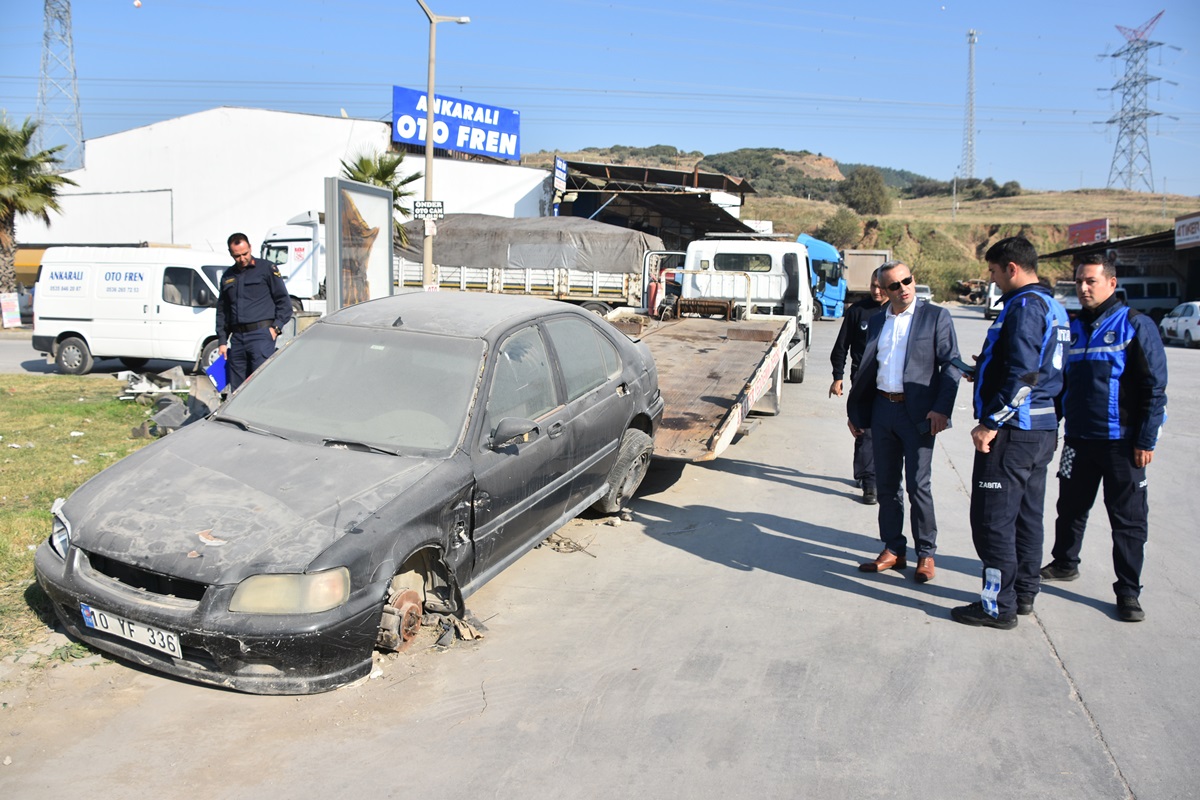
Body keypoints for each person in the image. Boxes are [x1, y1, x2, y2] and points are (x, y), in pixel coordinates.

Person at [1041, 252, 1167, 622]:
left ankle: (1128, 591)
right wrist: (1053, 428)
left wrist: (1145, 440)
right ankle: (1065, 562)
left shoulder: (1134, 325)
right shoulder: (1074, 327)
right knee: (1070, 509)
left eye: (1090, 281)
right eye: (1078, 281)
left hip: (1122, 444)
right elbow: (1061, 386)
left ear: (1112, 283)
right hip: (1078, 441)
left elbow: (1154, 388)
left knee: (1127, 521)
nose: (1083, 288)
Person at [952, 236, 1069, 630]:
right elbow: (1048, 372)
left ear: (1012, 268)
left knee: (992, 520)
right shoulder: (1054, 306)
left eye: (995, 271)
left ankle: (996, 606)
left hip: (1014, 432)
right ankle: (1022, 595)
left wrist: (991, 422)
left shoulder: (1023, 307)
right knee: (1026, 517)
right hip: (1042, 429)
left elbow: (1025, 373)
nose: (993, 279)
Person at [847, 262, 961, 583]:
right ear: (883, 290)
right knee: (886, 486)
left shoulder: (936, 317)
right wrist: (856, 412)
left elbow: (951, 367)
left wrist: (941, 409)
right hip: (883, 410)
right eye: (894, 286)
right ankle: (894, 549)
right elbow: (866, 369)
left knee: (918, 486)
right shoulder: (878, 320)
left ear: (914, 278)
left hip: (919, 416)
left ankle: (926, 553)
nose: (903, 289)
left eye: (907, 280)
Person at [829, 269, 886, 504]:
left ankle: (872, 474)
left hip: (891, 384)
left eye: (880, 286)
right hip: (862, 381)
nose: (875, 290)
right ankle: (869, 482)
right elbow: (842, 346)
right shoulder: (858, 311)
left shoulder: (897, 311)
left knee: (884, 432)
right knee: (865, 430)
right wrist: (838, 376)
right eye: (872, 285)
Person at [215, 232, 293, 391]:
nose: (242, 258)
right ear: (231, 254)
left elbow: (284, 302)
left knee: (260, 385)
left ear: (250, 248)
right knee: (237, 389)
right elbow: (223, 310)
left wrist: (275, 328)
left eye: (245, 253)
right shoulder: (228, 276)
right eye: (237, 256)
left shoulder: (266, 269)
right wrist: (222, 341)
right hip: (237, 339)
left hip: (261, 335)